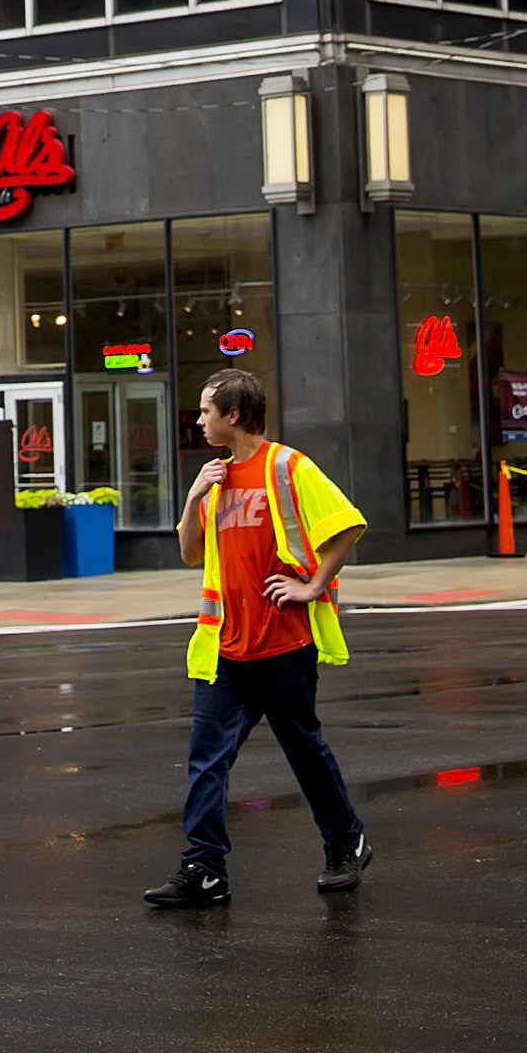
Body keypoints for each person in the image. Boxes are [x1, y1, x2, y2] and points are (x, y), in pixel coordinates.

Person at [147, 368, 369, 911]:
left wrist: (312, 586)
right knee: (207, 759)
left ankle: (346, 842)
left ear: (235, 415)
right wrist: (194, 497)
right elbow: (190, 553)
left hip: (283, 644)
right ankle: (204, 868)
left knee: (304, 751)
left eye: (206, 411)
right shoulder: (214, 477)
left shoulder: (288, 467)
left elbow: (348, 524)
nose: (198, 420)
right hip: (226, 647)